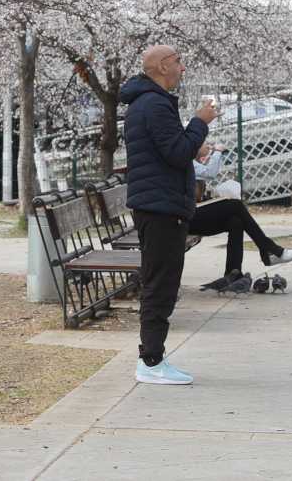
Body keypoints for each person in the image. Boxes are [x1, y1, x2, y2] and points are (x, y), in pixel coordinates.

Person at [120, 44, 216, 386]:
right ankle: (151, 361)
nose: (182, 68)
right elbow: (176, 153)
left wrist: (195, 142)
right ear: (162, 66)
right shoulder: (154, 104)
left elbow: (169, 149)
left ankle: (152, 358)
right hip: (161, 207)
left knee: (161, 281)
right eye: (178, 61)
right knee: (161, 284)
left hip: (160, 203)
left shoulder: (146, 103)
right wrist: (199, 123)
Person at [190, 141, 292, 275]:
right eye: (203, 141)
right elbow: (210, 173)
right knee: (235, 205)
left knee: (236, 221)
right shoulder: (183, 159)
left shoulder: (191, 162)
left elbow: (197, 190)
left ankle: (233, 274)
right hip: (182, 217)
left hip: (190, 214)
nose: (208, 144)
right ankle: (269, 250)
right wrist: (217, 151)